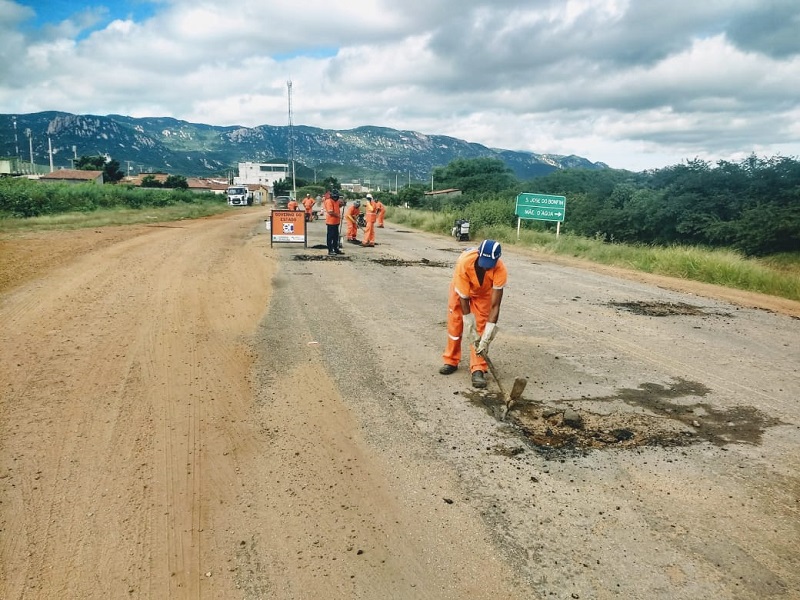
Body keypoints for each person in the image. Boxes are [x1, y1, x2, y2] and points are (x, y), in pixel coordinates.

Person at [439, 240, 506, 388]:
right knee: (455, 325)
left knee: (481, 328)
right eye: (484, 261)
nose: (485, 266)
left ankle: (478, 369)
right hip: (461, 291)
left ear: (497, 260)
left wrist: (489, 333)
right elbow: (464, 298)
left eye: (490, 263)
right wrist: (469, 322)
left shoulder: (500, 269)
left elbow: (495, 306)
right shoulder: (464, 262)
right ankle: (451, 360)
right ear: (478, 254)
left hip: (483, 293)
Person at [323, 190, 344, 255]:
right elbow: (330, 212)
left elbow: (338, 206)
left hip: (336, 222)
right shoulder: (329, 201)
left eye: (336, 197)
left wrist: (343, 204)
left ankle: (336, 249)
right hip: (331, 222)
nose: (335, 198)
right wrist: (338, 215)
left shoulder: (336, 201)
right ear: (331, 196)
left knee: (336, 237)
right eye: (334, 197)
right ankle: (330, 250)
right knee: (330, 237)